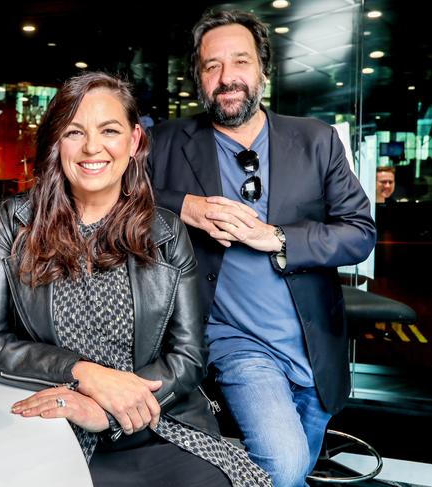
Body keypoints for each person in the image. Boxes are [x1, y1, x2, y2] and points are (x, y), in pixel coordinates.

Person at [0, 72, 270, 487]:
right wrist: (84, 373)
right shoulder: (13, 223)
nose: (93, 147)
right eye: (75, 132)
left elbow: (189, 356)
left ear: (134, 141)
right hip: (58, 426)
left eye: (109, 130)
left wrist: (109, 411)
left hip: (162, 421)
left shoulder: (165, 232)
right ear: (57, 143)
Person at [147, 9, 376, 487]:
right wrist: (182, 207)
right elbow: (114, 203)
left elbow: (359, 232)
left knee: (292, 473)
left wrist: (276, 238)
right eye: (212, 66)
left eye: (240, 62)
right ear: (197, 78)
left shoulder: (316, 140)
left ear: (263, 71)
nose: (227, 78)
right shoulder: (165, 142)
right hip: (235, 342)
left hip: (314, 344)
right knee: (285, 464)